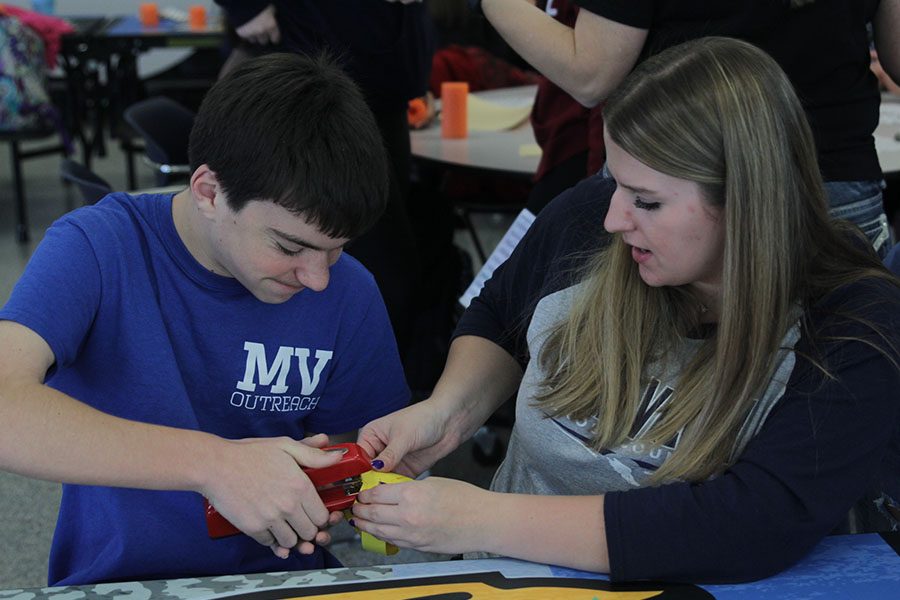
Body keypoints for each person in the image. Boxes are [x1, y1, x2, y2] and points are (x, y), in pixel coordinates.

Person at [349, 37, 900, 583]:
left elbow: (752, 523)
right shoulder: (588, 217)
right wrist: (447, 415)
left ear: (746, 201)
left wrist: (479, 520)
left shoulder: (854, 322)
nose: (613, 218)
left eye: (647, 201)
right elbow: (498, 315)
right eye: (616, 183)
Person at [0, 53, 410, 585]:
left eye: (333, 251)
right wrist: (216, 465)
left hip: (283, 580)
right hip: (117, 583)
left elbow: (372, 456)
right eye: (289, 247)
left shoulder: (348, 288)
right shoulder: (99, 248)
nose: (318, 279)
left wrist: (350, 479)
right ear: (209, 193)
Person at [471, 0, 900, 257]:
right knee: (840, 387)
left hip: (682, 187)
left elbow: (592, 73)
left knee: (671, 397)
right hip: (833, 181)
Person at [213, 0, 433, 377]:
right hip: (311, 73)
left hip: (385, 75)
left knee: (392, 266)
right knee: (368, 272)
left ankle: (366, 404)